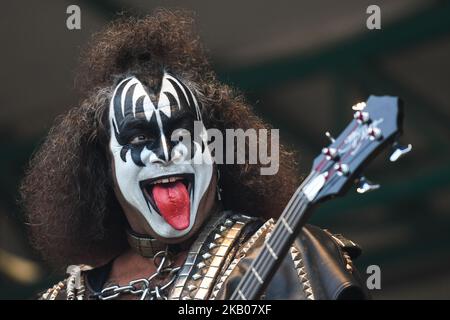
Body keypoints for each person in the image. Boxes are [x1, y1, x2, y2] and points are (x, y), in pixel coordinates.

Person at [20, 9, 369, 300]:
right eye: (139, 137)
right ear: (104, 168)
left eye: (183, 133)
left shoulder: (286, 257)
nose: (167, 152)